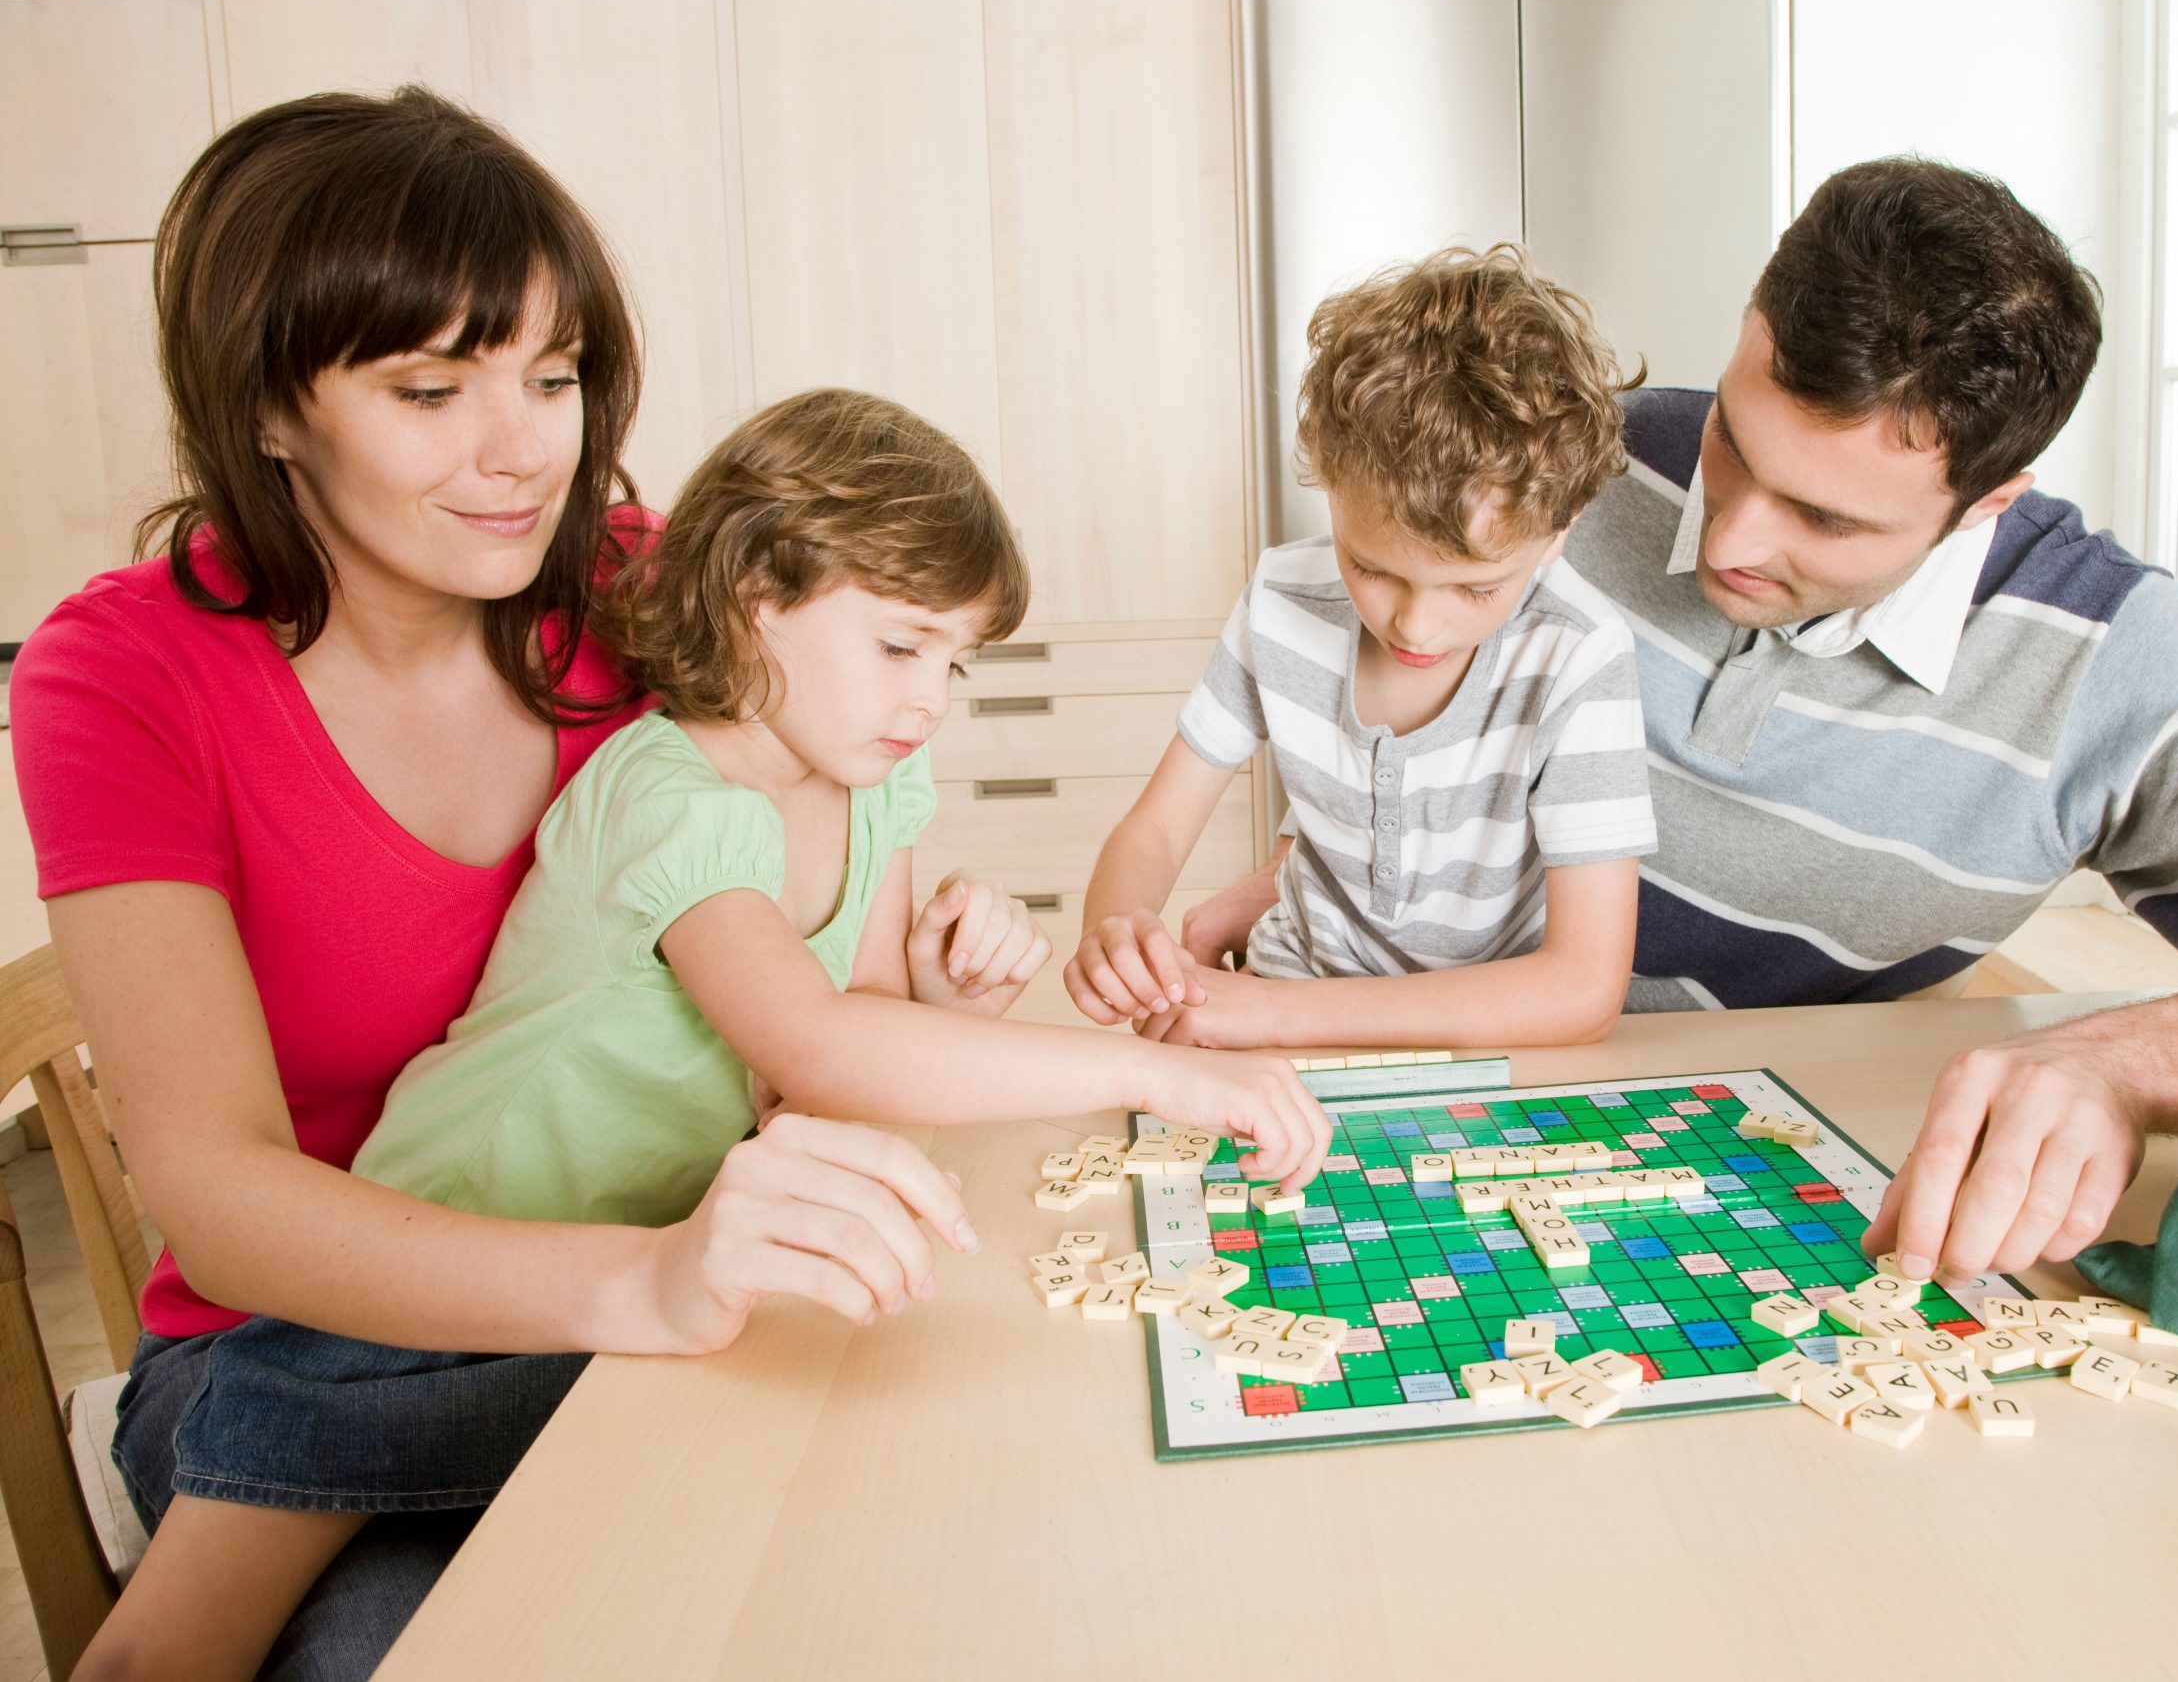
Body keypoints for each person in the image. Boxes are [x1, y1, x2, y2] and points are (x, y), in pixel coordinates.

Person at [70, 383, 1332, 1681]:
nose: (932, 699)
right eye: (899, 647)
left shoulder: (877, 776)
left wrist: (948, 1000)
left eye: (956, 661)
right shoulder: (670, 796)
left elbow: (861, 1029)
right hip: (419, 1278)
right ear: (749, 601)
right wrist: (1160, 1068)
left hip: (617, 1277)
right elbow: (820, 1049)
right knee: (176, 1650)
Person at [1181, 159, 2178, 1285]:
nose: (1730, 538)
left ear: (1987, 504)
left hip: (1734, 1205)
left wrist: (2140, 1055)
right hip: (1382, 1094)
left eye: (1826, 519)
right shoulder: (1564, 466)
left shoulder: (2113, 659)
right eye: (1732, 442)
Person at [1065, 247, 1656, 1050]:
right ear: (1332, 489)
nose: (1415, 626)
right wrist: (1118, 930)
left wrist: (1267, 1016)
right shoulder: (1280, 599)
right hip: (1289, 991)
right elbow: (1158, 829)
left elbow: (1583, 990)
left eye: (1474, 589)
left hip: (1491, 1038)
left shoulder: (1580, 658)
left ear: (1561, 531)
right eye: (1371, 568)